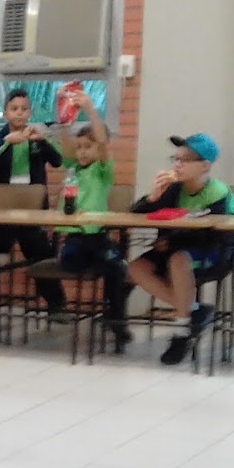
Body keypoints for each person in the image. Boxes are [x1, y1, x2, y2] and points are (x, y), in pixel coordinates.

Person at [128, 133, 234, 366]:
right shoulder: (173, 188)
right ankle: (194, 310)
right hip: (173, 248)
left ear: (204, 166)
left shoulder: (218, 193)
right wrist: (152, 198)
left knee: (178, 259)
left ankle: (181, 331)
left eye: (185, 160)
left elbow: (215, 234)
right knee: (135, 268)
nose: (177, 165)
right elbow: (136, 214)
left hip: (212, 253)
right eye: (175, 159)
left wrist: (173, 240)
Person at [0, 89, 68, 319]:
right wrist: (7, 143)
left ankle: (56, 305)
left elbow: (58, 161)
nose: (19, 113)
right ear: (5, 113)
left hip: (32, 210)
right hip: (2, 210)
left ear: (29, 112)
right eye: (14, 109)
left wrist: (43, 140)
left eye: (24, 109)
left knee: (41, 255)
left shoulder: (35, 136)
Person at [57, 90, 133, 350]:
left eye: (87, 147)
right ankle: (112, 311)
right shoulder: (73, 169)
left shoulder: (102, 170)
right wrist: (63, 114)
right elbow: (66, 144)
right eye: (79, 147)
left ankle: (116, 318)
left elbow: (101, 141)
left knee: (117, 268)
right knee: (71, 259)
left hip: (97, 237)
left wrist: (89, 108)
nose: (81, 152)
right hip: (75, 238)